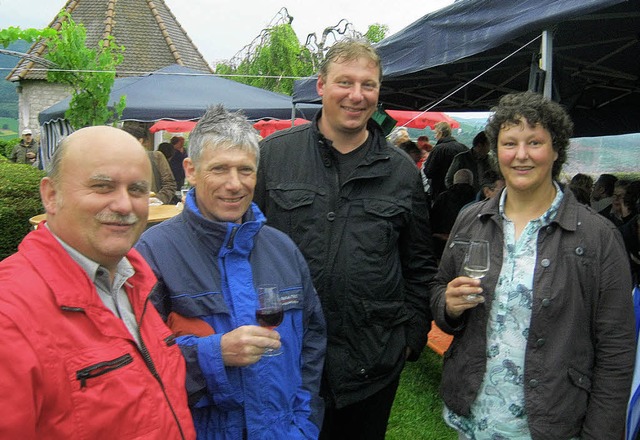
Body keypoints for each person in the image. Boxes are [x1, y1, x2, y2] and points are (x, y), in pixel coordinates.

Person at [254, 38, 437, 440]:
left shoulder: (401, 172)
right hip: (286, 359)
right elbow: (242, 246)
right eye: (345, 82)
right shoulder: (272, 157)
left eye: (368, 85)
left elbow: (420, 263)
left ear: (378, 92)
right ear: (321, 85)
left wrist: (410, 338)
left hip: (370, 364)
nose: (357, 96)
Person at [431, 91, 635, 439]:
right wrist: (447, 306)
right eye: (509, 143)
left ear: (556, 150)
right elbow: (439, 289)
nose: (521, 155)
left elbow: (616, 350)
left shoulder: (599, 237)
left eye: (535, 142)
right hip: (475, 415)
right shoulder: (470, 219)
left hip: (551, 422)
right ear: (497, 153)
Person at [135, 105, 326, 440]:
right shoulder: (153, 253)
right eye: (219, 169)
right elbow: (136, 362)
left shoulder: (283, 249)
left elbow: (312, 341)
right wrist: (213, 354)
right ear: (191, 170)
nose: (234, 184)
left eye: (245, 170)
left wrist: (303, 425)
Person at [0, 126, 196, 439]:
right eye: (103, 187)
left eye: (137, 190)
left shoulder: (134, 283)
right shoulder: (10, 315)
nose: (124, 205)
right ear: (51, 195)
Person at [430, 168, 477, 259]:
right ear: (471, 181)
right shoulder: (475, 199)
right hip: (466, 245)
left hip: (441, 244)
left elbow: (433, 220)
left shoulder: (442, 197)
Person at [123, 125, 177, 204]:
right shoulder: (117, 161)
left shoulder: (156, 157)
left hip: (154, 212)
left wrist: (157, 200)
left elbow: (170, 184)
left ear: (140, 141)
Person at [422, 121, 468, 199]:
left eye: (435, 133)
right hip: (462, 193)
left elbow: (428, 172)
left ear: (440, 133)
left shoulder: (438, 149)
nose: (435, 136)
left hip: (440, 192)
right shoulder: (464, 147)